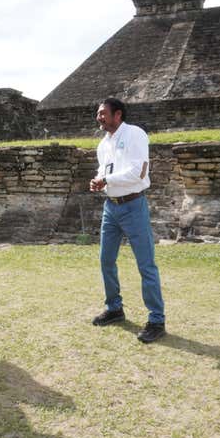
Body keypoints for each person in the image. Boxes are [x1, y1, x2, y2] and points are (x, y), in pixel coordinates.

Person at [89, 98, 166, 343]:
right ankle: (114, 308)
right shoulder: (103, 144)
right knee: (106, 260)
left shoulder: (135, 134)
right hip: (110, 208)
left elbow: (138, 172)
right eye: (98, 113)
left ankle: (156, 320)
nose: (99, 117)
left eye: (103, 113)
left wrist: (107, 180)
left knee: (146, 264)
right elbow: (105, 170)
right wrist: (97, 179)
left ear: (117, 114)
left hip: (134, 206)